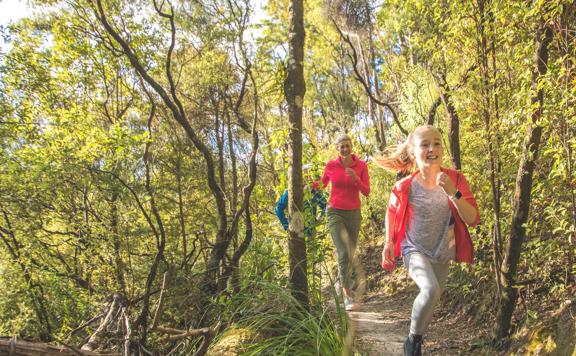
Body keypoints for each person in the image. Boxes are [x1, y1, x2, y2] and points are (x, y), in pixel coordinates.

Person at [377, 125, 480, 356]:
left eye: (437, 143)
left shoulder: (455, 179)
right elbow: (392, 212)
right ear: (413, 152)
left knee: (433, 298)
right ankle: (413, 345)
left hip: (443, 250)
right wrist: (388, 242)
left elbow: (472, 218)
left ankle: (414, 339)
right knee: (431, 289)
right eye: (425, 144)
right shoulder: (405, 186)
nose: (432, 148)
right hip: (413, 249)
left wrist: (454, 192)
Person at [321, 134, 370, 311]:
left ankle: (340, 283)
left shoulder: (361, 166)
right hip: (334, 212)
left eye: (347, 146)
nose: (344, 149)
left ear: (352, 146)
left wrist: (356, 178)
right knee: (343, 253)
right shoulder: (331, 166)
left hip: (354, 213)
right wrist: (306, 186)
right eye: (341, 146)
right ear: (337, 148)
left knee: (349, 254)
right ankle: (347, 294)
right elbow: (321, 185)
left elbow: (366, 192)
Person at [274, 165, 327, 238]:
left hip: (310, 231)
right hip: (296, 232)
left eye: (308, 176)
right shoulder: (290, 192)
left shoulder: (314, 192)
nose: (307, 179)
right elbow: (278, 208)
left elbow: (326, 206)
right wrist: (286, 225)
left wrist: (320, 218)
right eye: (305, 176)